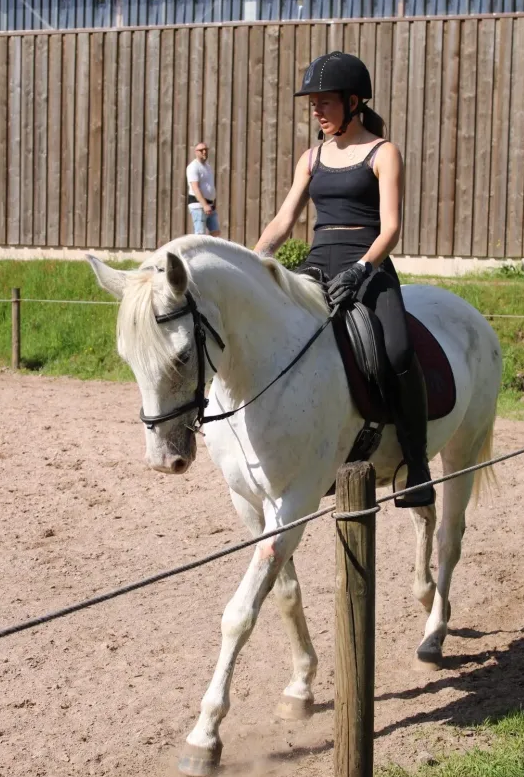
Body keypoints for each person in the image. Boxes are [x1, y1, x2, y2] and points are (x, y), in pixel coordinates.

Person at [254, 51, 433, 508]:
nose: (316, 110)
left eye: (325, 102)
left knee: (397, 350)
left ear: (353, 102)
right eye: (313, 103)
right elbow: (284, 219)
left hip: (366, 262)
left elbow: (391, 227)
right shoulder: (311, 157)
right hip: (317, 262)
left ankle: (416, 465)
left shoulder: (382, 152)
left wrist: (362, 269)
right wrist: (254, 260)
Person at [186, 143, 220, 237]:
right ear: (196, 152)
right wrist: (204, 205)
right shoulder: (193, 167)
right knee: (200, 234)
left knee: (215, 232)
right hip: (198, 205)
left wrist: (210, 203)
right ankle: (198, 252)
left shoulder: (207, 167)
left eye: (205, 149)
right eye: (201, 150)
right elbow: (195, 187)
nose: (204, 152)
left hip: (209, 205)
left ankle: (211, 251)